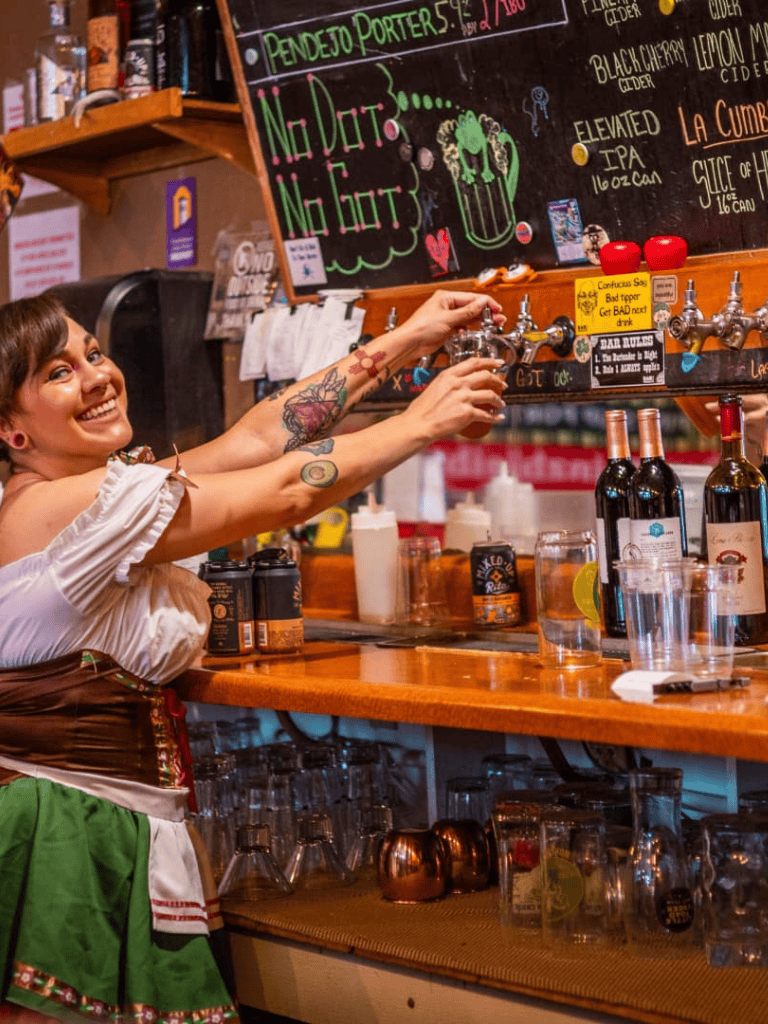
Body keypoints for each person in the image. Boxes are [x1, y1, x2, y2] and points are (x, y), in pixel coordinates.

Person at [0, 288, 506, 1024]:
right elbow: (281, 492)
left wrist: (406, 340)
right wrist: (418, 422)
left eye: (95, 352)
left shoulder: (78, 494)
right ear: (12, 431)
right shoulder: (65, 508)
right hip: (69, 836)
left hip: (103, 823)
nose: (97, 375)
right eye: (57, 371)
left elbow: (257, 439)